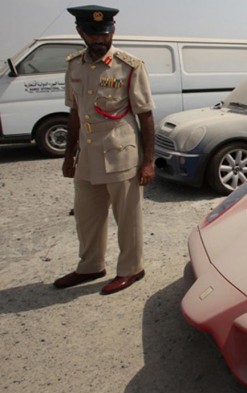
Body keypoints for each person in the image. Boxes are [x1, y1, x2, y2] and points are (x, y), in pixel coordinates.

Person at [53, 5, 155, 295]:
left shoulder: (129, 66)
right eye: (92, 34)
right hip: (87, 155)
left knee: (127, 218)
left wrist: (148, 162)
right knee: (87, 216)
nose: (100, 40)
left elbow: (145, 115)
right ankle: (91, 266)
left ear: (113, 31)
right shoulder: (74, 65)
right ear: (81, 33)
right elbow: (75, 113)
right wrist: (68, 155)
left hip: (121, 154)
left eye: (105, 34)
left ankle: (131, 269)